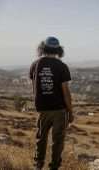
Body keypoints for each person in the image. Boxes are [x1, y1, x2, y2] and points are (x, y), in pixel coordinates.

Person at [29, 36, 74, 170]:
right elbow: (65, 92)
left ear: (43, 48)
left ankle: (38, 165)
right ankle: (54, 167)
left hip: (42, 109)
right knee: (58, 140)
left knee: (41, 138)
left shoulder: (35, 65)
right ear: (59, 50)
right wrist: (70, 112)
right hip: (59, 110)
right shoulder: (61, 66)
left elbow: (34, 87)